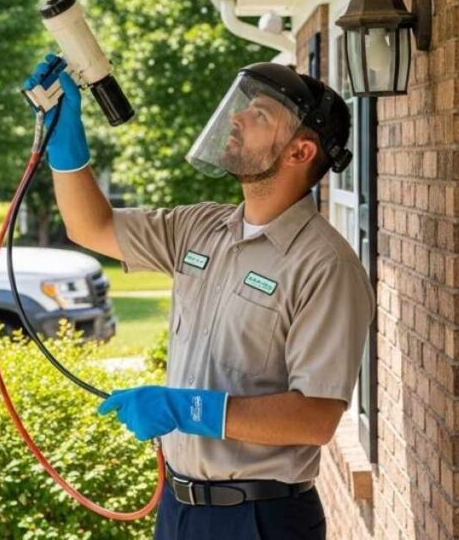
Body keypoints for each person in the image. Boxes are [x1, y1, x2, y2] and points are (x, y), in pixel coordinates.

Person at [24, 55, 376, 539]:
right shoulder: (202, 228)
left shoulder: (325, 265)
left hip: (260, 520)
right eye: (243, 106)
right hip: (179, 509)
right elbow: (93, 226)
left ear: (300, 152)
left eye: (261, 115)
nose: (237, 118)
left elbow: (316, 419)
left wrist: (186, 409)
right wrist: (65, 149)